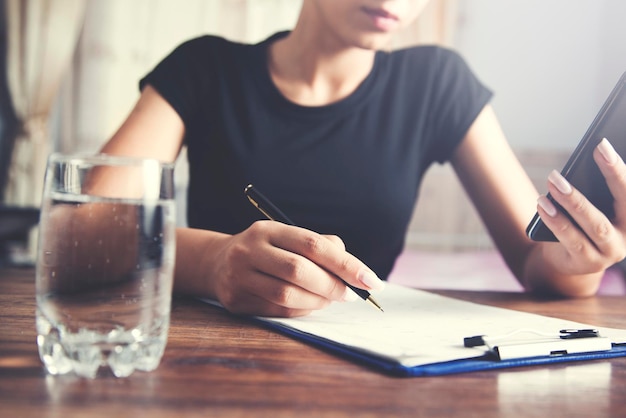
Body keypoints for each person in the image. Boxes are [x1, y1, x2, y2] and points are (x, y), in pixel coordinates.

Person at [98, 0, 626, 317]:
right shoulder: (204, 68)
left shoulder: (437, 83)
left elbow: (538, 263)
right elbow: (83, 224)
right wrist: (210, 262)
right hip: (205, 362)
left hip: (376, 375)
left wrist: (582, 261)